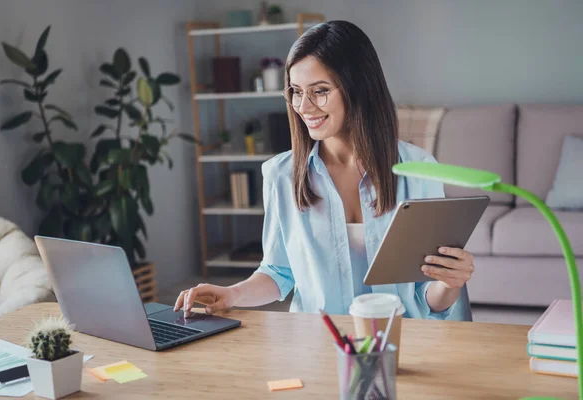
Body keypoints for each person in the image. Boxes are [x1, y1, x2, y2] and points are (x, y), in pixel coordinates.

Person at [175, 20, 474, 320]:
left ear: (358, 88)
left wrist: (450, 283)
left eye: (319, 91)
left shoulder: (420, 171)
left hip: (402, 342)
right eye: (295, 91)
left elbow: (428, 297)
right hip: (319, 344)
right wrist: (233, 293)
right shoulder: (281, 175)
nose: (304, 106)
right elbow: (278, 272)